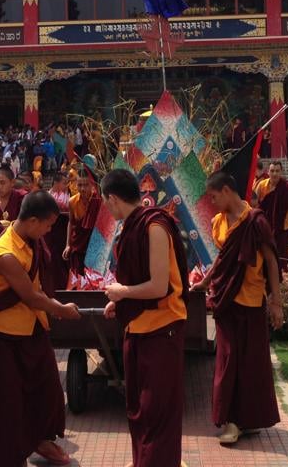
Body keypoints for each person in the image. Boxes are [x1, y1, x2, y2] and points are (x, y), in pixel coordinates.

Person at [0, 191, 80, 466]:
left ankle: (40, 440)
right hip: (5, 337)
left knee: (46, 392)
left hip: (33, 328)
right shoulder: (5, 253)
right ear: (33, 221)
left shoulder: (30, 240)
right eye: (48, 225)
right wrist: (62, 310)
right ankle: (11, 456)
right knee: (8, 402)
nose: (49, 231)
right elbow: (31, 296)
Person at [101, 169, 189, 467]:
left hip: (162, 329)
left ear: (112, 199)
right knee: (138, 408)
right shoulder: (131, 226)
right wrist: (122, 302)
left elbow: (158, 286)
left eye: (105, 203)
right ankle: (144, 460)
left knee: (158, 411)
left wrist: (123, 292)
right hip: (137, 328)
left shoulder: (154, 226)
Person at [195, 172, 283, 445]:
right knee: (228, 359)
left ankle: (249, 419)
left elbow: (271, 260)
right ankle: (231, 420)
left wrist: (276, 302)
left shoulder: (256, 220)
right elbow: (222, 259)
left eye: (213, 196)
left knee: (252, 361)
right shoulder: (218, 222)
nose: (212, 202)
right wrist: (205, 282)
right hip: (226, 300)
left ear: (226, 191)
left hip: (252, 300)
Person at [253, 160, 288, 277]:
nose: (274, 174)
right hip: (264, 227)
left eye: (277, 171)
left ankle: (281, 279)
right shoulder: (261, 185)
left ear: (281, 172)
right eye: (272, 171)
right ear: (268, 172)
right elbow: (253, 205)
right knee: (263, 253)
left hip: (282, 228)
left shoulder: (286, 187)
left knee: (281, 257)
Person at [62, 166, 102, 278]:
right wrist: (68, 245)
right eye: (80, 185)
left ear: (92, 185)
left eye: (86, 185)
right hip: (78, 247)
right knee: (78, 278)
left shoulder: (98, 201)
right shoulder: (72, 201)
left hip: (94, 247)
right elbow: (71, 223)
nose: (83, 189)